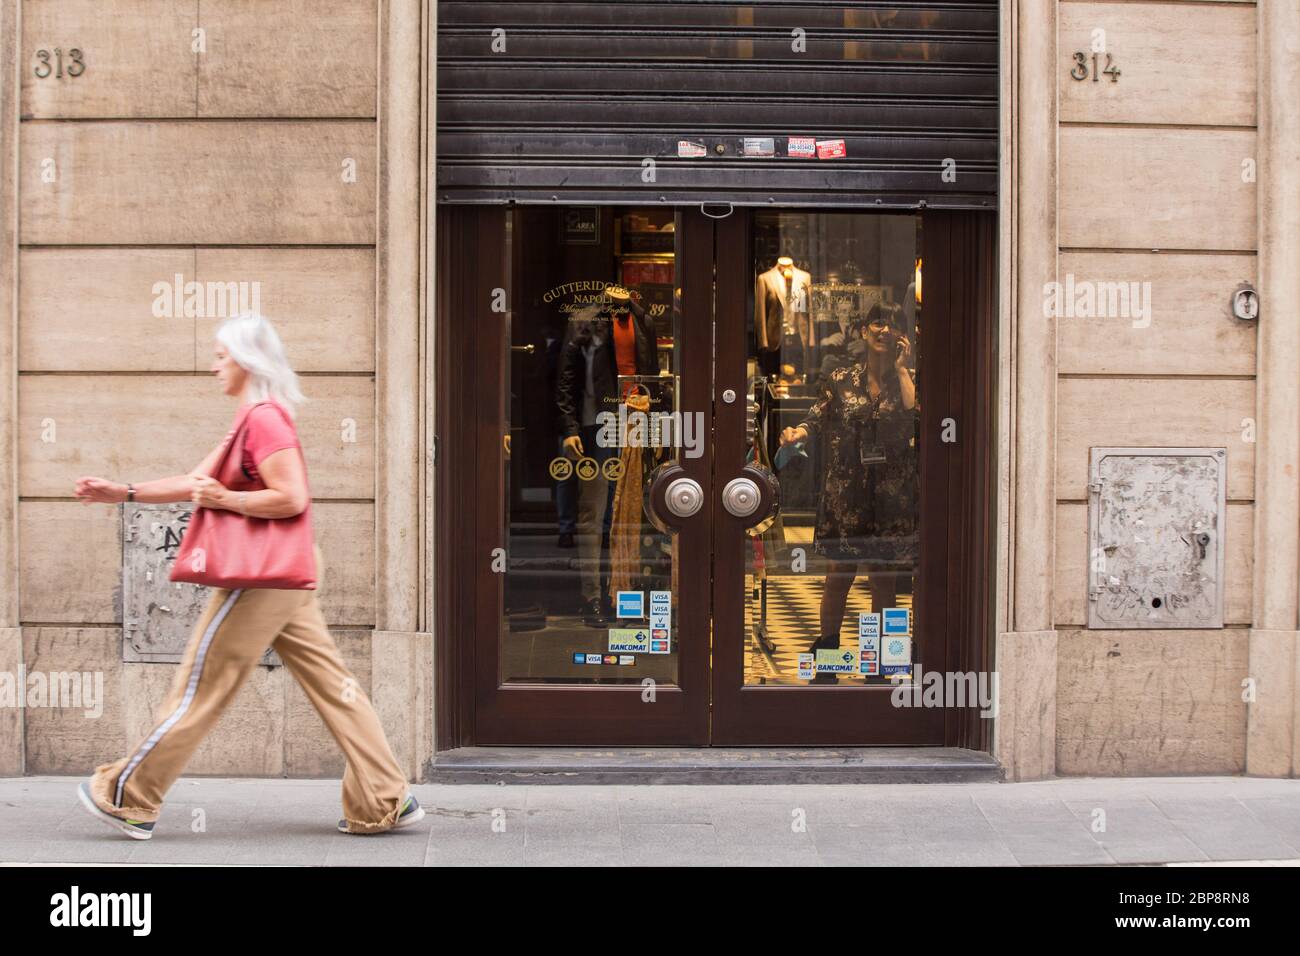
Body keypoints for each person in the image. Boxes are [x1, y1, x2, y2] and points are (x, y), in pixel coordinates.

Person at [71, 312, 424, 839]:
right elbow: (196, 482)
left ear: (247, 359)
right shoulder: (253, 418)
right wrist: (122, 492)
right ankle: (384, 797)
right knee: (334, 684)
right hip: (287, 566)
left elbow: (291, 497)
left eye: (221, 356)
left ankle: (132, 796)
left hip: (263, 576)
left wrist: (227, 498)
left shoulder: (264, 419)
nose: (214, 366)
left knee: (202, 683)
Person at [779, 303, 918, 682]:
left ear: (902, 336)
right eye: (877, 322)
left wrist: (904, 369)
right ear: (862, 330)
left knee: (883, 578)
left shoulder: (907, 380)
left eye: (892, 324)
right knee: (838, 574)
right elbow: (816, 418)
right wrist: (796, 435)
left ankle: (879, 663)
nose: (883, 330)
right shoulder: (840, 378)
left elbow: (915, 415)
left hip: (891, 497)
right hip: (846, 494)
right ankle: (827, 655)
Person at [555, 291, 659, 626]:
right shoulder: (585, 320)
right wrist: (570, 427)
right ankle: (592, 596)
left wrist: (656, 424)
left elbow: (651, 375)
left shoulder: (643, 321)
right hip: (596, 424)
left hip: (634, 422)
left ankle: (623, 596)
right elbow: (566, 378)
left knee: (628, 513)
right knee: (594, 511)